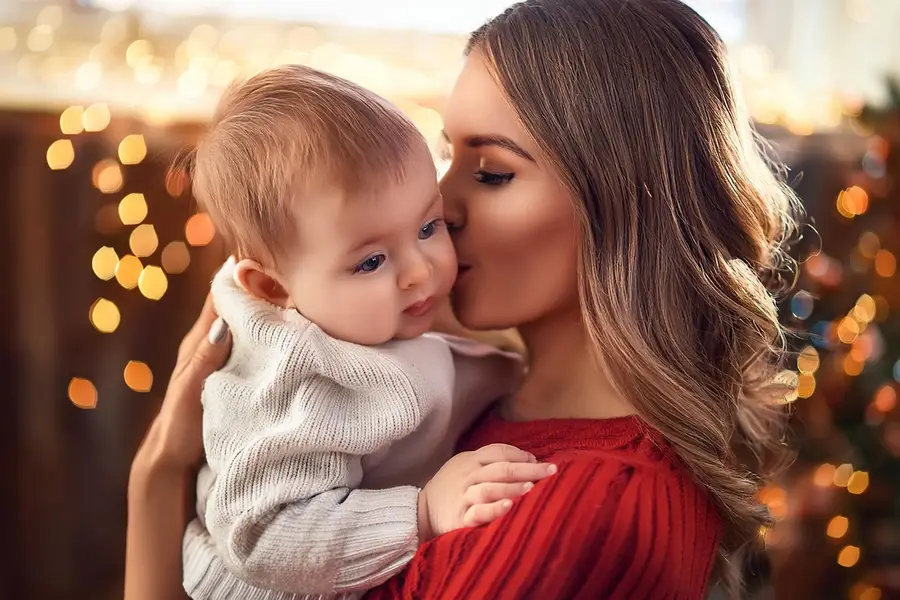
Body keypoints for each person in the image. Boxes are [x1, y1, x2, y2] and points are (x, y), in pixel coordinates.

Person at [126, 1, 800, 598]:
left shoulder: (589, 510)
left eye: (494, 172)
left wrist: (156, 491)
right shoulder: (467, 397)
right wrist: (158, 473)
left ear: (628, 206)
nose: (441, 205)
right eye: (447, 154)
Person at [179, 66, 553, 599]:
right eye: (372, 260)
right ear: (270, 286)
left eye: (428, 227)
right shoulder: (300, 379)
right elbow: (260, 537)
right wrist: (419, 512)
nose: (420, 271)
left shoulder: (355, 315)